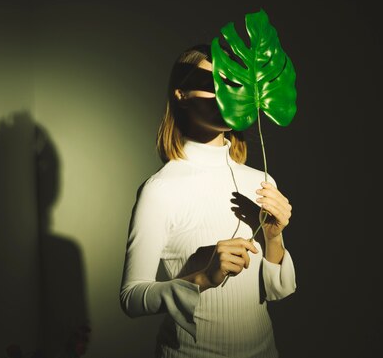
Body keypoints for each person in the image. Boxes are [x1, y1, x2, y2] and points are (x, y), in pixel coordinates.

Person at [119, 44, 297, 358]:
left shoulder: (261, 181)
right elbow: (132, 298)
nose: (225, 95)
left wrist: (274, 236)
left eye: (233, 85)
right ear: (181, 95)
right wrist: (202, 277)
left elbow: (275, 290)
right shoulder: (161, 189)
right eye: (211, 85)